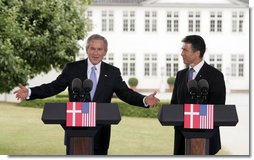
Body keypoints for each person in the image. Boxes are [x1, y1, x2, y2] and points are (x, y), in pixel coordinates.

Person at [14, 34, 160, 155]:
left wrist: (145, 99)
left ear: (105, 51)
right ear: (87, 49)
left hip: (100, 132)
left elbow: (125, 93)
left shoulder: (113, 72)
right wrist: (30, 92)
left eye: (99, 49)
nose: (96, 53)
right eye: (93, 49)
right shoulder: (72, 69)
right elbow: (54, 87)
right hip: (75, 131)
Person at [170, 35, 226, 155]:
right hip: (182, 139)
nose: (181, 53)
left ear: (197, 53)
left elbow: (218, 108)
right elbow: (174, 104)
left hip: (206, 140)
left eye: (185, 50)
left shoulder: (215, 76)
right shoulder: (180, 75)